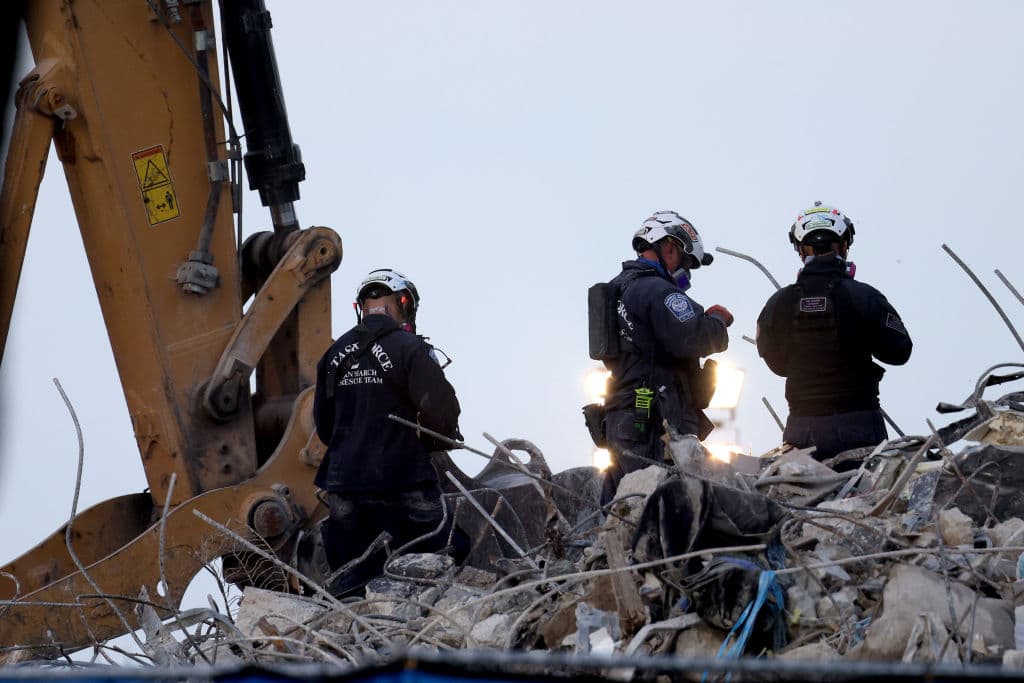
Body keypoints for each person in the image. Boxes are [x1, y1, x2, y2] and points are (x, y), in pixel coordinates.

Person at [312, 268, 462, 594]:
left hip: (343, 487)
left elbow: (324, 427)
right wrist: (436, 439)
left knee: (352, 582)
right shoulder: (410, 348)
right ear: (404, 302)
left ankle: (357, 638)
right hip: (403, 483)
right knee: (447, 553)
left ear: (361, 307)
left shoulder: (332, 356)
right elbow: (442, 413)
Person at [756, 202, 912, 461]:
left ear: (799, 249)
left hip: (802, 432)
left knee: (800, 499)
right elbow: (899, 351)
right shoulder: (865, 296)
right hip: (860, 426)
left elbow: (777, 364)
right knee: (867, 498)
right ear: (844, 244)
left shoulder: (777, 303)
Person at [597, 210, 732, 503]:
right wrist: (718, 321)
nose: (687, 273)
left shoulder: (620, 288)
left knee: (623, 508)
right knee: (667, 506)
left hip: (622, 418)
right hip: (654, 421)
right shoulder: (656, 290)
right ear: (670, 248)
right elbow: (695, 336)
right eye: (686, 263)